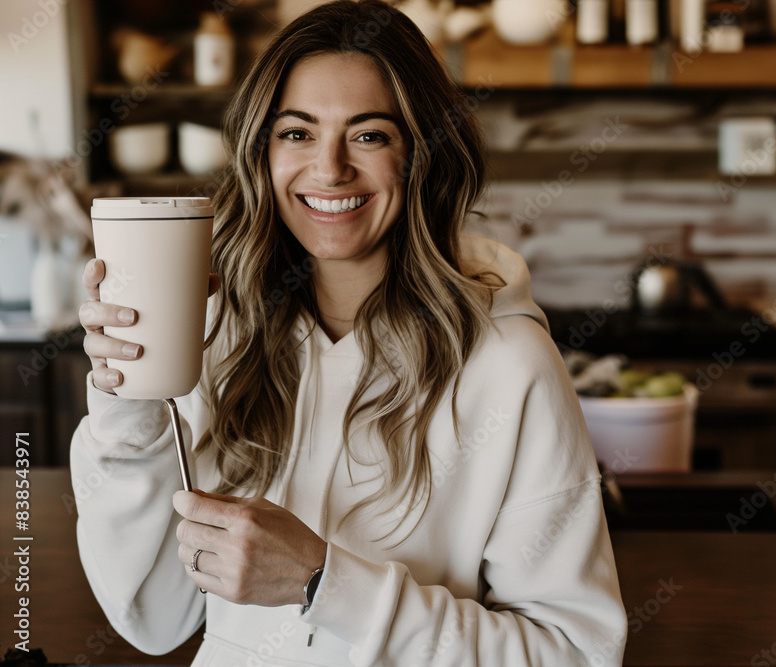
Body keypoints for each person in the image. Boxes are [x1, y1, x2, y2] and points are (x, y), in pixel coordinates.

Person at [70, 1, 627, 665]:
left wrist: (323, 583)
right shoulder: (218, 332)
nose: (329, 169)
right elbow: (155, 617)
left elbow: (574, 652)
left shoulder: (511, 366)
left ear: (420, 154)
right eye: (297, 133)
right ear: (262, 153)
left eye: (369, 135)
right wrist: (130, 409)